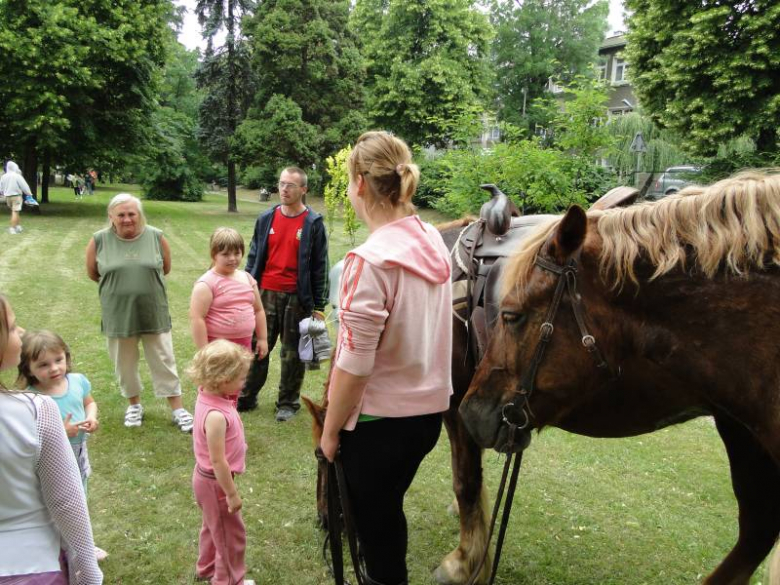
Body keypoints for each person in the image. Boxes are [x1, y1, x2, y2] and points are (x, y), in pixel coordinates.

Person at [320, 131, 453, 585]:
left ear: (358, 183)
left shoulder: (369, 260)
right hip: (426, 419)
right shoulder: (433, 240)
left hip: (377, 426)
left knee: (377, 537)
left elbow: (354, 367)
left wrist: (331, 432)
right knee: (386, 513)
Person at [0, 294, 103, 584]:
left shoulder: (71, 385)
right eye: (11, 326)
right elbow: (66, 501)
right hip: (32, 562)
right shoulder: (35, 410)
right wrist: (88, 571)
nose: (20, 333)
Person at [85, 193, 193, 432]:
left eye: (131, 214)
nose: (127, 219)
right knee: (124, 363)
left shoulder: (156, 236)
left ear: (139, 215)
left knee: (164, 359)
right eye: (121, 214)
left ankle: (177, 409)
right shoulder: (99, 240)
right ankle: (134, 405)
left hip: (153, 311)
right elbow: (93, 272)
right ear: (111, 217)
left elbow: (165, 268)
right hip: (118, 313)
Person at [239, 166, 329, 421]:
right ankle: (247, 396)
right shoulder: (266, 218)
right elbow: (254, 256)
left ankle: (287, 403)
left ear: (304, 189)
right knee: (257, 347)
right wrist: (248, 288)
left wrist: (318, 305)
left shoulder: (313, 223)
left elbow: (320, 265)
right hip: (264, 293)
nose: (284, 189)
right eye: (281, 184)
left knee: (292, 354)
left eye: (290, 185)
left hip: (296, 297)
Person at [16, 330, 109, 562]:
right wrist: (61, 432)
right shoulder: (31, 398)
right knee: (60, 502)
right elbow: (30, 437)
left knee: (81, 497)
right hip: (53, 460)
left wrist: (92, 418)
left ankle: (82, 543)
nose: (55, 368)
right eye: (44, 365)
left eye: (59, 360)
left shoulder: (77, 381)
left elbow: (90, 402)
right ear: (28, 369)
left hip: (79, 451)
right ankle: (64, 544)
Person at [187, 340, 255, 585]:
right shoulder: (215, 416)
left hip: (207, 482)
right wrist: (232, 493)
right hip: (216, 483)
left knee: (212, 526)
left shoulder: (209, 396)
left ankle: (205, 568)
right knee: (230, 536)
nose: (244, 382)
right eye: (240, 379)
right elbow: (218, 461)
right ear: (222, 380)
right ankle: (229, 581)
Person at [190, 228, 269, 401]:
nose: (233, 258)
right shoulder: (207, 283)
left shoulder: (247, 278)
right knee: (214, 387)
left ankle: (229, 419)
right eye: (225, 254)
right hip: (217, 348)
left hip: (243, 346)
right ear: (214, 254)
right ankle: (209, 421)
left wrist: (262, 338)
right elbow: (197, 319)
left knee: (235, 386)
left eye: (237, 253)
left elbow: (258, 310)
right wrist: (205, 351)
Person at [0, 161, 33, 234]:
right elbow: (24, 185)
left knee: (15, 211)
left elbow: (1, 187)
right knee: (15, 212)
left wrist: (1, 193)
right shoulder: (17, 175)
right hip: (16, 196)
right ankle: (12, 228)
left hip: (7, 197)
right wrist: (29, 194)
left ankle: (18, 226)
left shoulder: (4, 176)